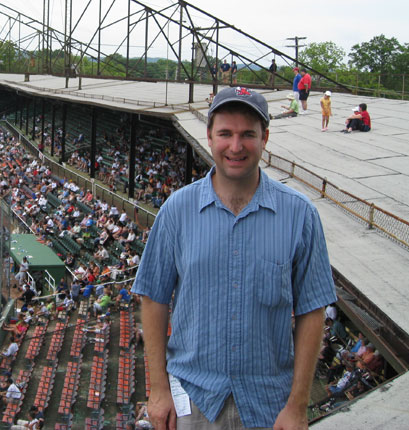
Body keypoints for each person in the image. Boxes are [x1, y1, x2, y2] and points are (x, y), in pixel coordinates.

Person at [132, 86, 336, 429]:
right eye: (225, 133)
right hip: (193, 397)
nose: (236, 146)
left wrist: (298, 406)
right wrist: (158, 390)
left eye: (248, 135)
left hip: (268, 402)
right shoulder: (177, 211)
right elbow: (153, 299)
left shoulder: (300, 215)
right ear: (210, 136)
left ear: (265, 138)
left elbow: (312, 311)